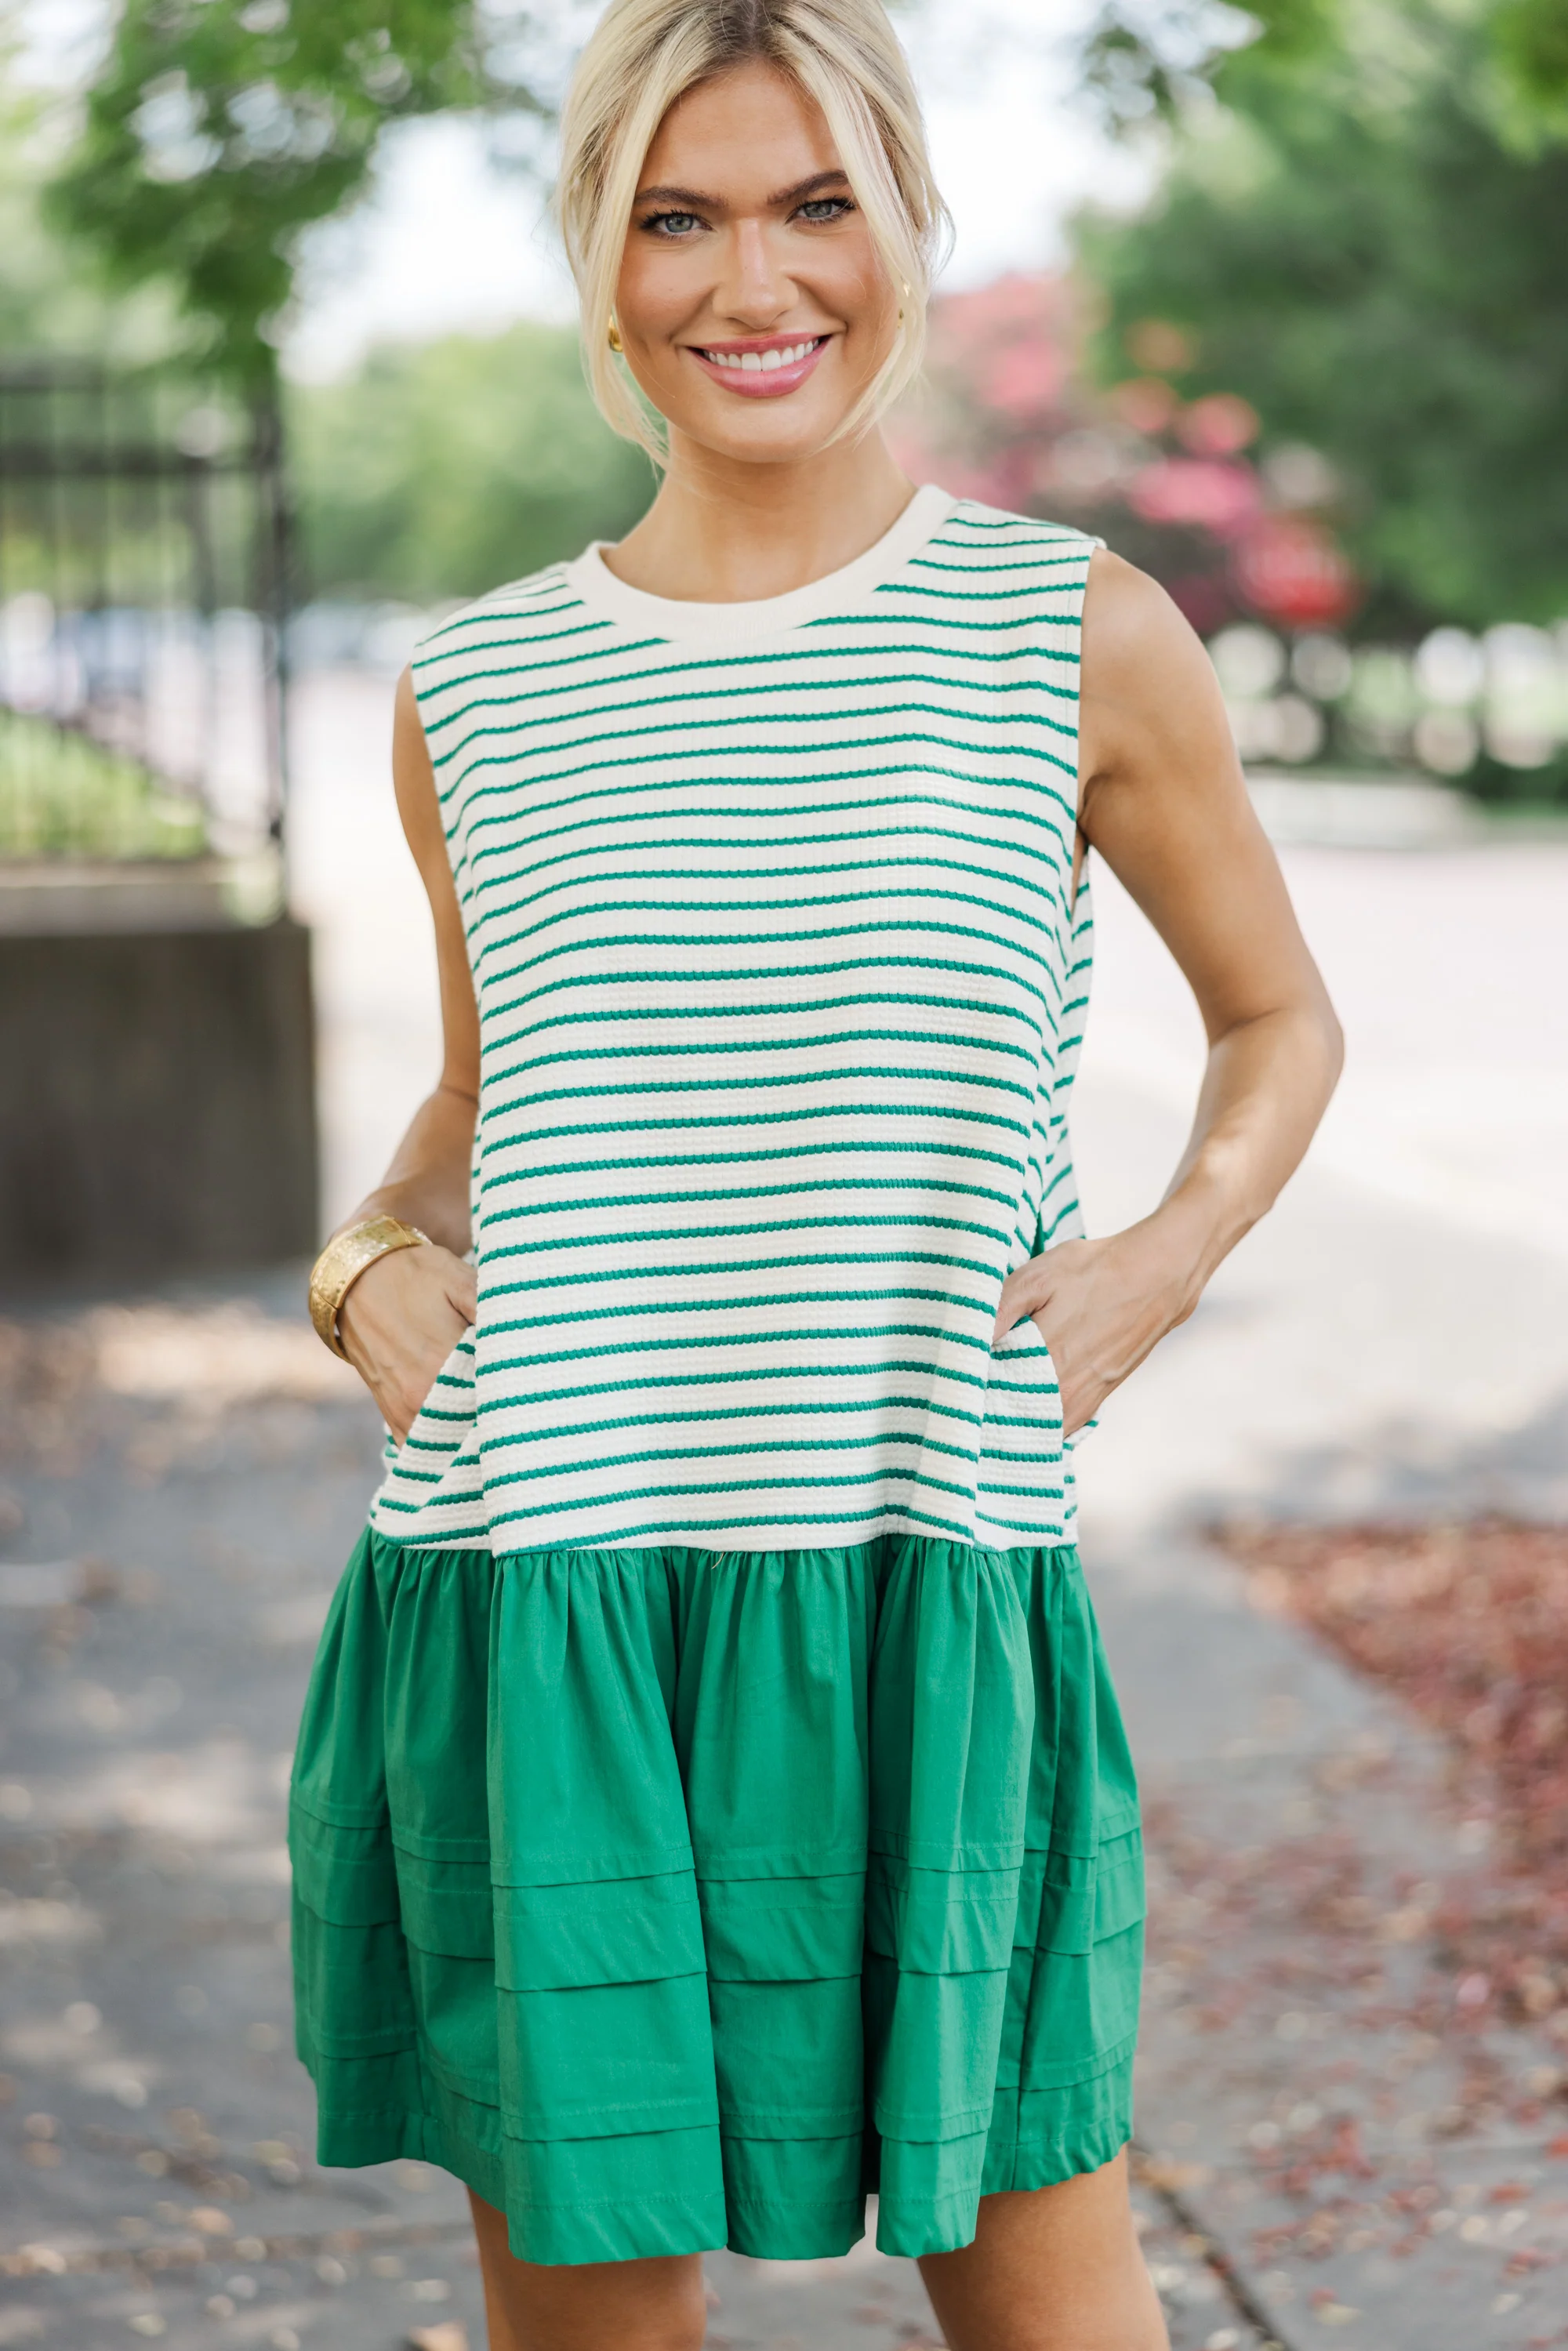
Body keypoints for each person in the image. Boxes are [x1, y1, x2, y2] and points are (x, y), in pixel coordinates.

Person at [290, 2, 1343, 2345]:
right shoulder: (473, 691)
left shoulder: (1075, 635)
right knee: (596, 2315)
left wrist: (1164, 1257)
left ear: (909, 227)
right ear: (599, 253)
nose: (750, 282)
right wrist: (361, 1264)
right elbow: (480, 1103)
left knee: (1046, 2285)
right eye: (677, 215)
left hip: (919, 1564)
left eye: (815, 205)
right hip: (547, 1587)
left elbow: (1281, 1017)